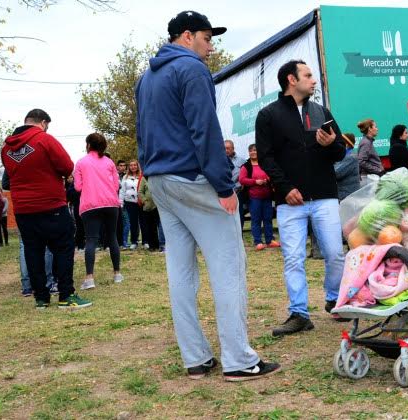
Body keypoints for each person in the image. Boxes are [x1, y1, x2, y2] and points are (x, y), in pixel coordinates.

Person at [135, 10, 279, 381]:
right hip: (193, 179)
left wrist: (150, 172)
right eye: (207, 38)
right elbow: (205, 128)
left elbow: (141, 132)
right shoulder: (192, 68)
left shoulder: (146, 78)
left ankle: (195, 358)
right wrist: (222, 185)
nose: (211, 46)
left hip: (161, 179)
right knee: (228, 267)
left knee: (180, 271)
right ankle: (239, 361)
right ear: (187, 36)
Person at [256, 59, 347, 336]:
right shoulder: (268, 115)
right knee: (293, 258)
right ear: (291, 80)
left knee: (335, 254)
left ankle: (335, 299)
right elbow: (266, 157)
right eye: (308, 75)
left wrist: (332, 145)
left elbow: (341, 151)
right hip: (289, 202)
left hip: (325, 196)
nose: (314, 80)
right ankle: (299, 313)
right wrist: (285, 188)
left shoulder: (321, 111)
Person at [2, 108, 91, 310]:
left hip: (23, 209)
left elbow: (9, 175)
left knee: (33, 251)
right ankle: (66, 294)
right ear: (42, 123)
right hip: (50, 204)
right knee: (63, 247)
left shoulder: (6, 148)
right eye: (47, 126)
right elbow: (67, 166)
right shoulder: (44, 139)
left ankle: (41, 298)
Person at [74, 133, 123, 290]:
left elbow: (78, 187)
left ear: (88, 145)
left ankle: (89, 278)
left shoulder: (81, 163)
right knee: (112, 237)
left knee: (91, 240)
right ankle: (117, 274)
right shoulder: (109, 162)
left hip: (90, 205)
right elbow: (116, 186)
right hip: (110, 203)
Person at [238, 143, 279, 250]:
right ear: (249, 153)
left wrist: (268, 179)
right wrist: (255, 181)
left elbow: (272, 174)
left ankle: (269, 240)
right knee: (256, 219)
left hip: (267, 196)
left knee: (268, 219)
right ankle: (258, 242)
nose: (253, 152)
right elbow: (242, 179)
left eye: (255, 150)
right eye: (251, 150)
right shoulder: (246, 166)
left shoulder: (265, 163)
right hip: (253, 198)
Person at [119, 160, 143, 250]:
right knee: (133, 222)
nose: (133, 167)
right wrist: (121, 202)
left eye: (135, 165)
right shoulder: (125, 177)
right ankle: (133, 241)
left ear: (137, 166)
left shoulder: (141, 176)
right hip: (129, 202)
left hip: (140, 201)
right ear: (129, 167)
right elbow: (122, 190)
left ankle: (145, 241)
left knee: (142, 222)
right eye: (131, 165)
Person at [225, 140, 248, 229]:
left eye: (228, 148)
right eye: (224, 148)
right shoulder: (219, 160)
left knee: (239, 214)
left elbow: (247, 174)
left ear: (233, 148)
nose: (226, 150)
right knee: (226, 215)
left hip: (239, 192)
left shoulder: (242, 160)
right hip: (225, 192)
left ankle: (240, 234)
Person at [137, 176, 162, 252]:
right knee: (150, 227)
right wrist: (145, 201)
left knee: (160, 226)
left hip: (159, 206)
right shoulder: (144, 178)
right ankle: (152, 246)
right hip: (148, 206)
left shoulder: (158, 177)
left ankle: (160, 244)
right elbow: (140, 192)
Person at [115, 160, 130, 249]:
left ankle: (124, 241)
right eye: (120, 165)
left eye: (124, 165)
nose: (122, 167)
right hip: (114, 202)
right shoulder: (114, 175)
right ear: (117, 166)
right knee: (117, 223)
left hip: (125, 202)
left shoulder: (127, 176)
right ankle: (119, 241)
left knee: (126, 222)